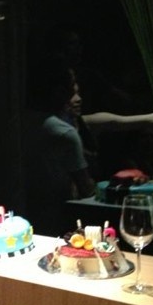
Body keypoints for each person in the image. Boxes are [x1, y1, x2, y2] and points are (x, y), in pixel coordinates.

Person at [26, 56, 96, 237]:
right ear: (59, 91)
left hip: (25, 210)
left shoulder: (21, 120)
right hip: (58, 217)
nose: (77, 96)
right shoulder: (65, 132)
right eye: (72, 88)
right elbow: (86, 188)